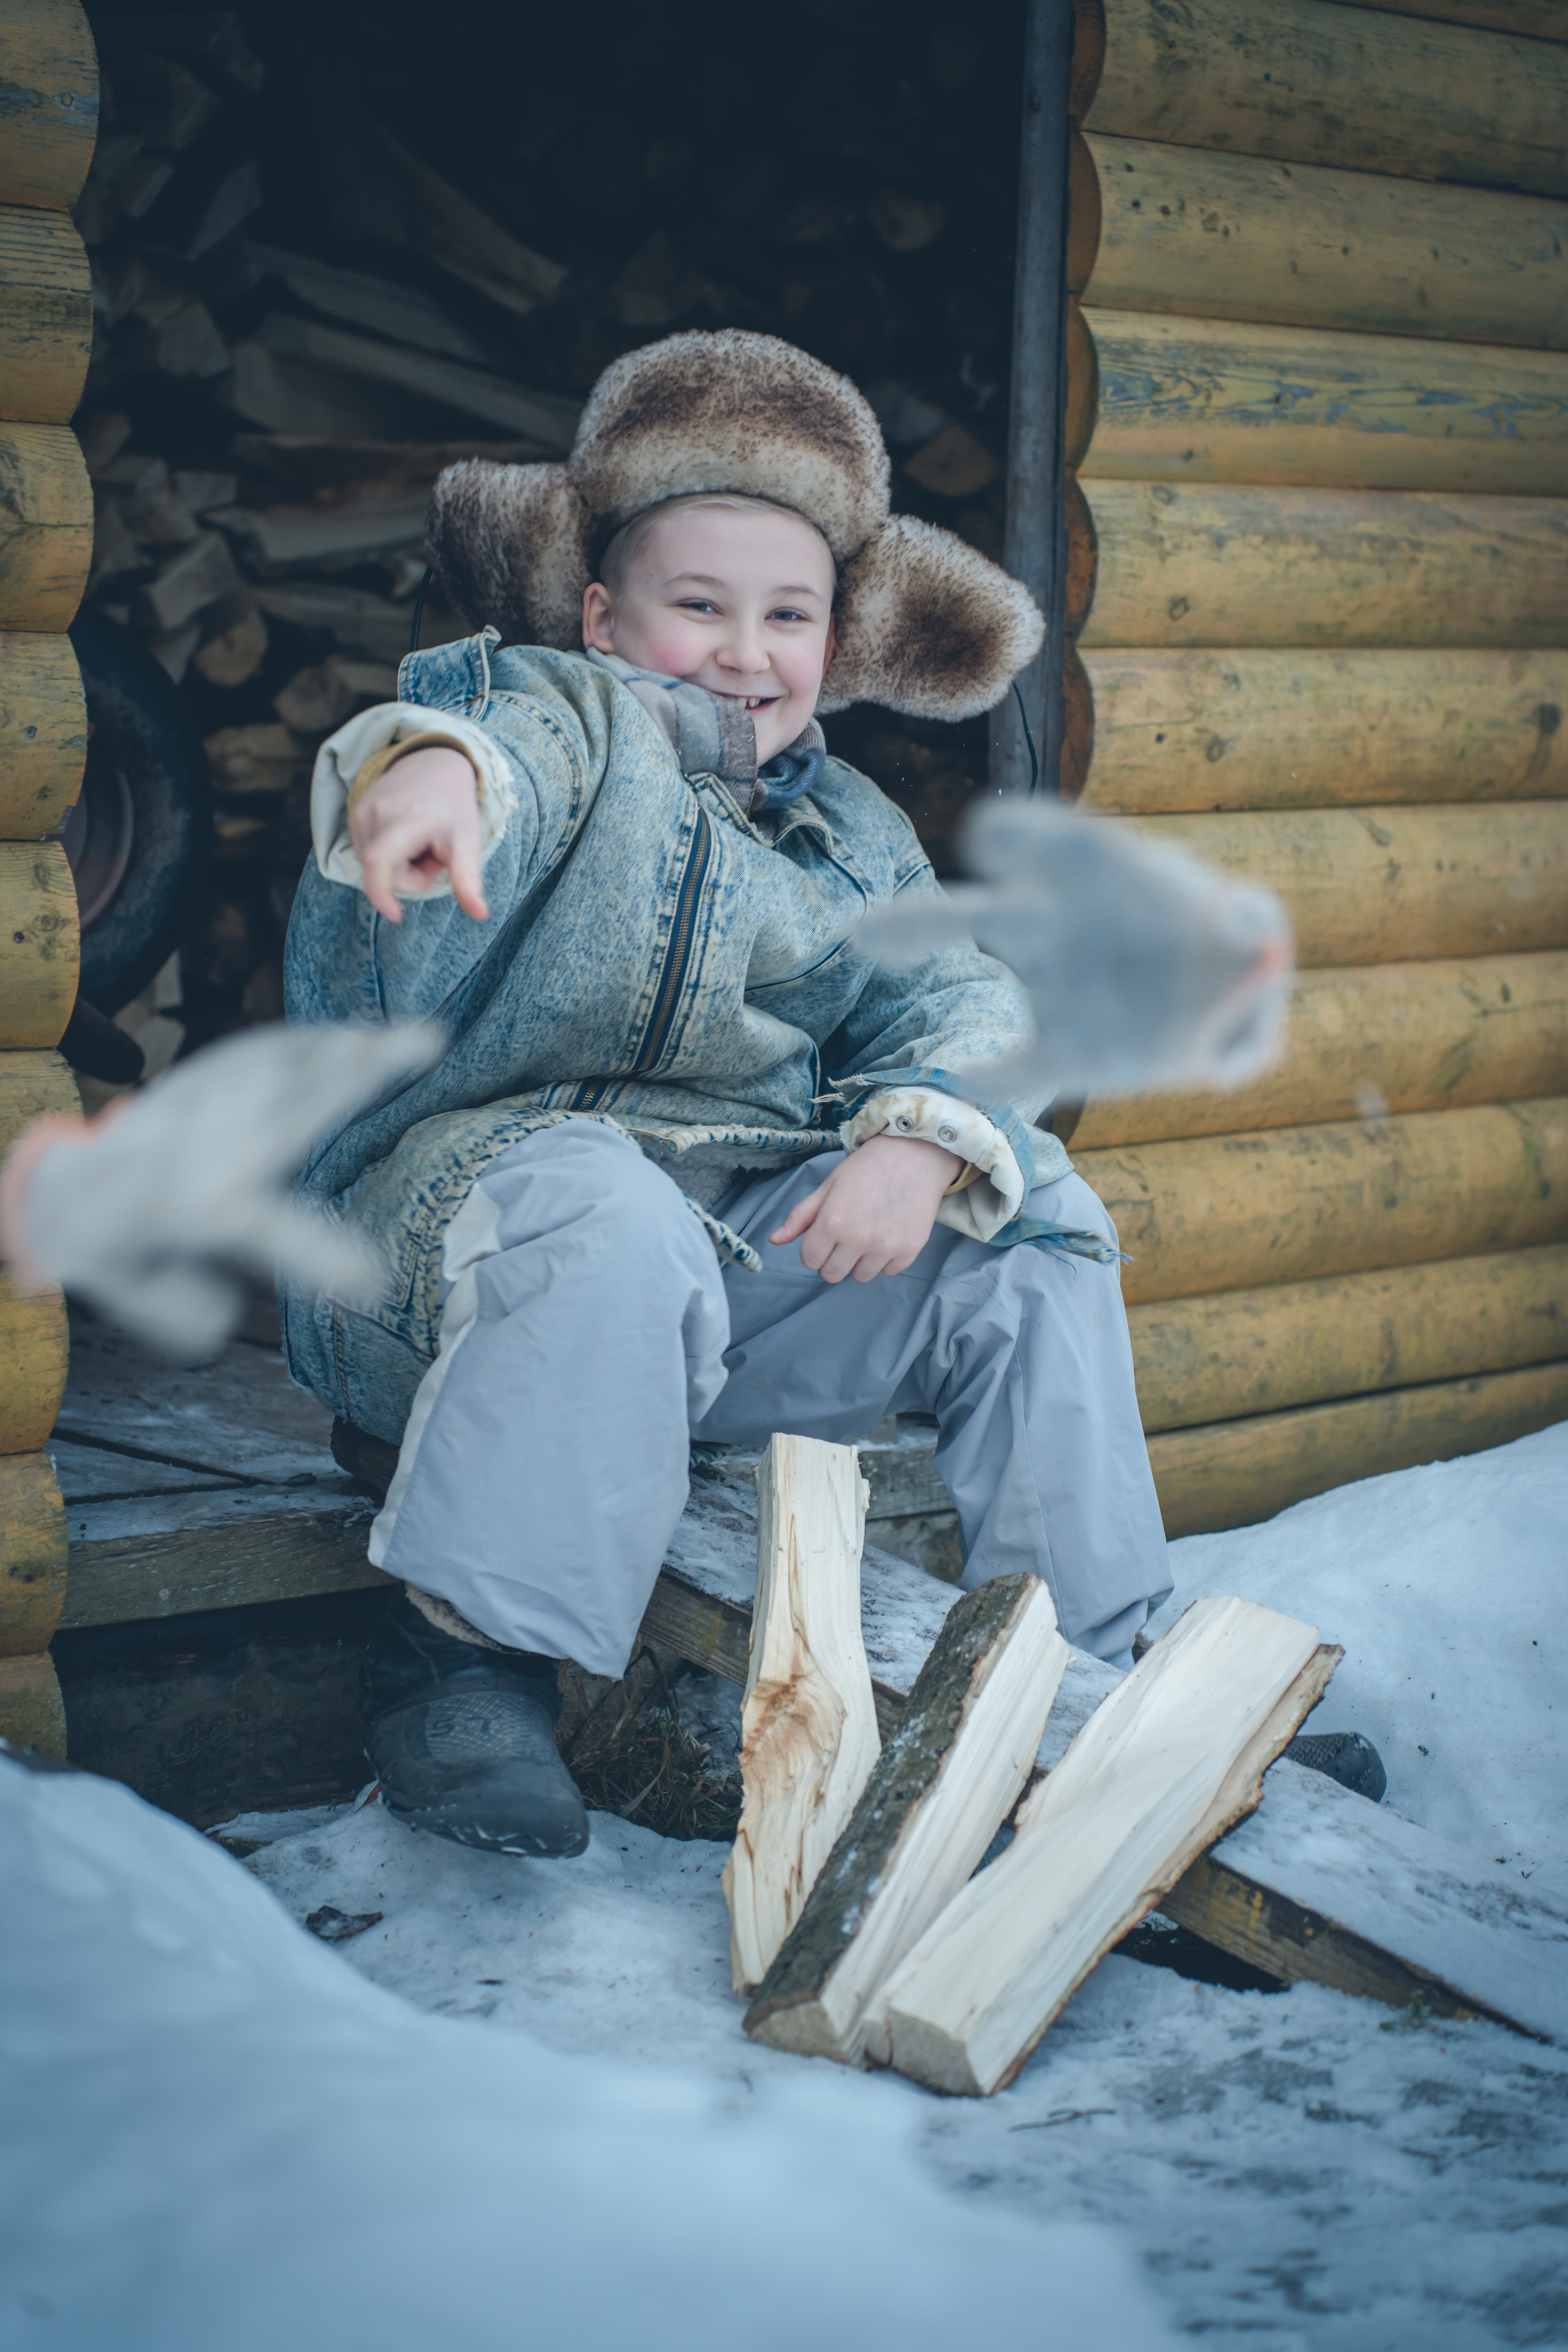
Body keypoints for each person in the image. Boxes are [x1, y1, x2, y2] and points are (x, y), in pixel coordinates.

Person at [280, 329, 1177, 1860]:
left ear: (838, 637)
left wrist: (918, 1135)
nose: (743, 652)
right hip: (436, 1260)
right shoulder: (555, 720)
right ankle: (465, 1657)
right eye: (696, 605)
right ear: (600, 615)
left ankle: (1094, 1682)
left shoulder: (847, 833)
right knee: (605, 1207)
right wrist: (422, 778)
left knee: (1027, 1220)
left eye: (787, 615)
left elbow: (954, 1000)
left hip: (708, 1293)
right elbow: (491, 754)